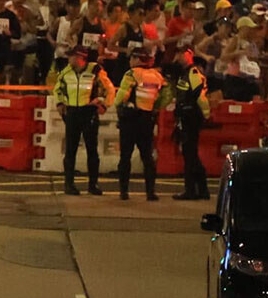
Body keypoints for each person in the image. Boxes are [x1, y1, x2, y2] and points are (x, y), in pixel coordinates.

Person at [52, 46, 115, 195]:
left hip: (89, 112)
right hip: (72, 112)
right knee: (70, 150)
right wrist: (60, 103)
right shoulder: (66, 72)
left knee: (92, 150)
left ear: (80, 57)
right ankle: (69, 185)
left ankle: (93, 185)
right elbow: (57, 89)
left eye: (71, 56)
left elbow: (110, 89)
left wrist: (105, 105)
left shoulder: (95, 71)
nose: (69, 59)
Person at [113, 48, 167, 201]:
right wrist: (155, 107)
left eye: (131, 58)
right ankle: (150, 192)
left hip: (130, 119)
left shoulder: (132, 74)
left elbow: (121, 96)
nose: (130, 61)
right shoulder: (157, 76)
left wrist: (118, 105)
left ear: (137, 59)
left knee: (125, 157)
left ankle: (124, 192)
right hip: (147, 119)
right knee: (147, 157)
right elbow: (167, 94)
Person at [169, 48, 211, 200]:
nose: (177, 58)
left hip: (191, 117)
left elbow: (200, 97)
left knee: (189, 155)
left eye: (179, 55)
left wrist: (205, 116)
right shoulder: (186, 73)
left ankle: (191, 191)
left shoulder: (192, 74)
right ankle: (202, 190)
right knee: (191, 155)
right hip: (187, 116)